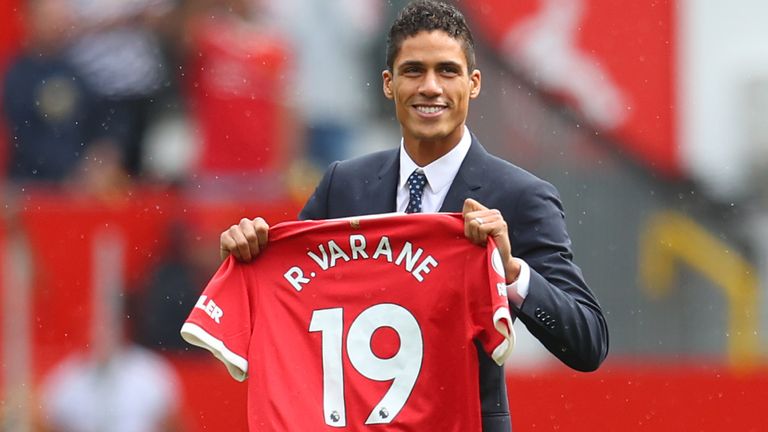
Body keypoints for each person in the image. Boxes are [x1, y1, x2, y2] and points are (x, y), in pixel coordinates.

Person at [218, 1, 609, 430]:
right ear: (389, 84)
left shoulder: (520, 197)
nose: (430, 87)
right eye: (413, 71)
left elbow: (588, 342)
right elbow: (289, 298)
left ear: (473, 83)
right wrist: (252, 252)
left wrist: (512, 272)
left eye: (447, 71)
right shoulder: (343, 186)